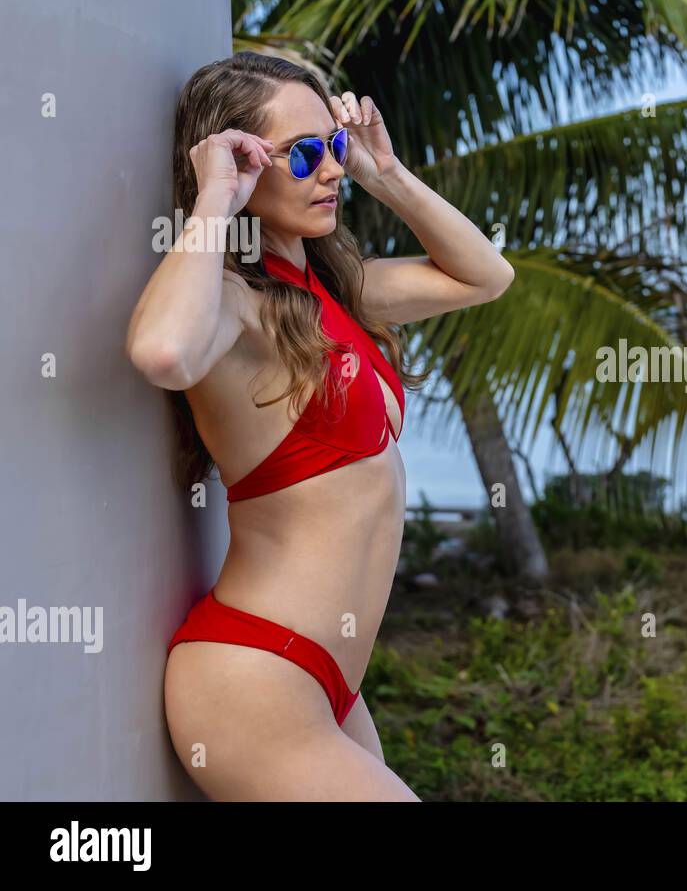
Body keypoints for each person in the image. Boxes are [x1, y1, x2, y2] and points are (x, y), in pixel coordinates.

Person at [125, 52, 514, 800]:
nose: (328, 169)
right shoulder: (238, 306)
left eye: (330, 145)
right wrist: (214, 202)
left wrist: (383, 172)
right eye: (302, 155)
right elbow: (163, 351)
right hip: (252, 676)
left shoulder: (335, 292)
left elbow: (484, 277)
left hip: (330, 681)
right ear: (240, 162)